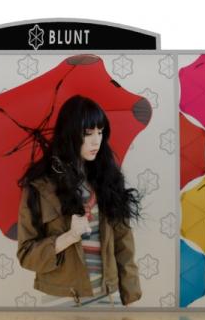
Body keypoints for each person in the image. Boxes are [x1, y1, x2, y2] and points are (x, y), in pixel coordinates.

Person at [16, 95, 144, 307]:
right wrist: (68, 237)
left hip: (107, 296)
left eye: (100, 132)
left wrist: (129, 296)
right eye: (88, 133)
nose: (96, 141)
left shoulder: (108, 180)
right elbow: (26, 255)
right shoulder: (40, 187)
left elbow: (123, 243)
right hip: (62, 299)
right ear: (70, 134)